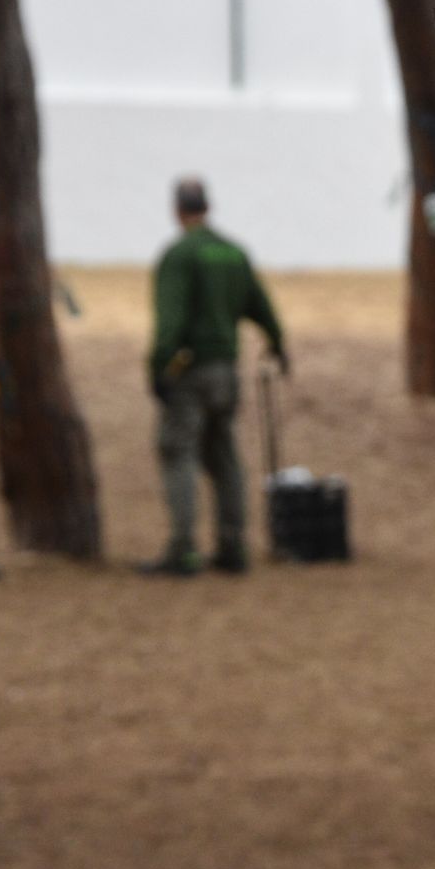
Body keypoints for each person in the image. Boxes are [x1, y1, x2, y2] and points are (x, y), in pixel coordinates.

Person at [142, 178, 287, 576]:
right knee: (223, 455)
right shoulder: (232, 252)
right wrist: (277, 342)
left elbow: (169, 322)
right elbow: (260, 304)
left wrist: (157, 368)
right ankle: (232, 545)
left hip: (190, 370)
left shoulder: (179, 255)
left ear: (177, 209)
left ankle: (183, 548)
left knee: (179, 453)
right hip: (226, 370)